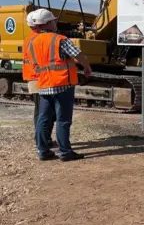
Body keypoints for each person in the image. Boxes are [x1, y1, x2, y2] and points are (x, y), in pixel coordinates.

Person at [27, 8, 92, 161]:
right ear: (49, 23)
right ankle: (65, 152)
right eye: (54, 21)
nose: (56, 23)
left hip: (43, 85)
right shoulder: (60, 40)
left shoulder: (32, 42)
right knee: (63, 120)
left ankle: (43, 151)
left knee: (43, 119)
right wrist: (87, 67)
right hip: (62, 84)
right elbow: (78, 55)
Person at [23, 9, 57, 149]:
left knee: (41, 112)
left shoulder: (30, 38)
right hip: (39, 79)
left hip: (35, 78)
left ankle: (42, 139)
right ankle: (43, 141)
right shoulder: (37, 40)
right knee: (44, 113)